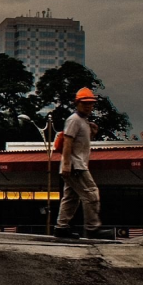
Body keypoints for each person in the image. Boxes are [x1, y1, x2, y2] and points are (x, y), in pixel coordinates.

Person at [54, 88, 102, 239]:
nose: (88, 106)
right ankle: (92, 228)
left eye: (91, 104)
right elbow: (68, 142)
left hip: (77, 164)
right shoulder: (74, 119)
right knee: (91, 193)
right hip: (76, 165)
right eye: (85, 103)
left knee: (71, 197)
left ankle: (61, 228)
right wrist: (67, 164)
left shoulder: (83, 122)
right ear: (77, 103)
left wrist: (92, 133)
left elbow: (81, 144)